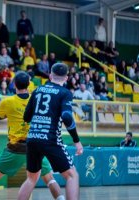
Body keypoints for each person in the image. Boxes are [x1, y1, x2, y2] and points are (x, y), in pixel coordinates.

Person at [0, 72, 65, 200]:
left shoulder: (8, 102)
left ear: (14, 84)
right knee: (49, 179)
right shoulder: (37, 100)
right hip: (37, 146)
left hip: (15, 148)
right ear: (29, 85)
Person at [17, 63, 83, 200]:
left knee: (31, 178)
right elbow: (66, 116)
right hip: (51, 139)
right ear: (66, 78)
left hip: (33, 138)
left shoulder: (37, 90)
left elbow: (26, 117)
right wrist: (76, 141)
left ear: (50, 75)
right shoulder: (65, 93)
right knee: (72, 175)